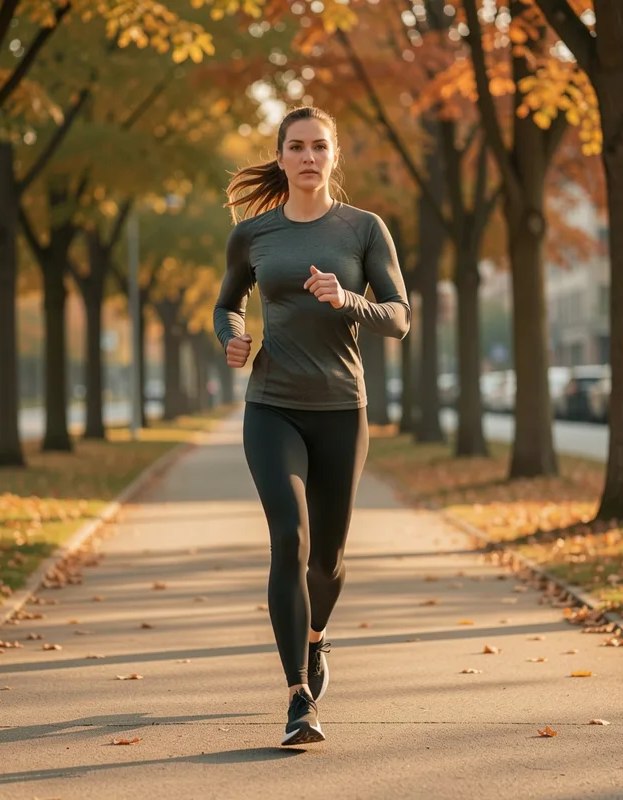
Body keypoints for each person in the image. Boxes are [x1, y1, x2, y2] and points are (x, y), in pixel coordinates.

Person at [212, 106, 410, 747]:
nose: (306, 157)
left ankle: (317, 637)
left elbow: (399, 318)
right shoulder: (254, 234)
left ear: (333, 156)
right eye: (295, 147)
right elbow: (226, 303)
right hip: (271, 405)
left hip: (340, 409)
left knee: (326, 559)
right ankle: (299, 697)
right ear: (280, 157)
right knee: (289, 540)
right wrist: (234, 336)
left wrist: (345, 298)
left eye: (318, 146)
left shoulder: (363, 229)